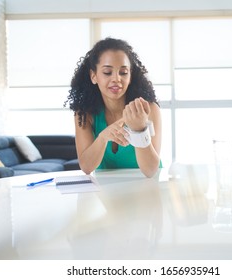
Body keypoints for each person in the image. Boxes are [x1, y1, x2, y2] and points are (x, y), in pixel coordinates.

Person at [65, 37, 162, 178]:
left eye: (123, 72)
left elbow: (150, 171)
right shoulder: (84, 114)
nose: (116, 79)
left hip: (147, 187)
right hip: (108, 192)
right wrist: (103, 137)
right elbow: (86, 167)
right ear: (94, 76)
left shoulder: (149, 109)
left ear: (130, 76)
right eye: (107, 72)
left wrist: (139, 130)